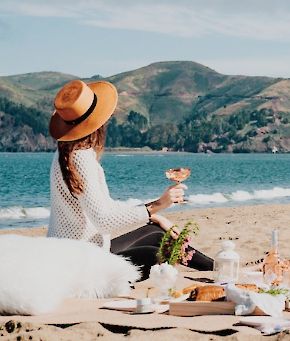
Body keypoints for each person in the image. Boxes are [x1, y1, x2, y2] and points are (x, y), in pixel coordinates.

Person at [47, 79, 213, 280]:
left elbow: (105, 207)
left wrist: (153, 215)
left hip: (72, 256)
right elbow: (105, 221)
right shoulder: (81, 158)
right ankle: (221, 269)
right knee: (155, 255)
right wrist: (158, 205)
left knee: (157, 233)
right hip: (83, 264)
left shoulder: (67, 154)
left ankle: (217, 268)